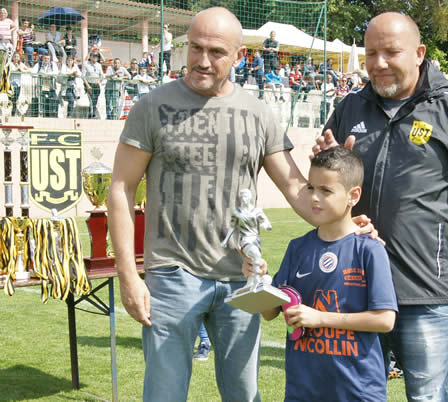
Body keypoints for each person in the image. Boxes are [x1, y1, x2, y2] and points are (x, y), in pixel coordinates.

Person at [107, 8, 334, 401]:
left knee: (244, 395)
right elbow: (121, 188)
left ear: (239, 57)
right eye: (195, 48)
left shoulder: (259, 114)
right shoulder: (151, 107)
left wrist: (341, 207)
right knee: (164, 395)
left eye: (216, 52)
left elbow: (296, 189)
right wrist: (128, 274)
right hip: (172, 275)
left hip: (242, 278)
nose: (202, 61)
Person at [312, 12, 448, 400]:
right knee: (353, 394)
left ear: (419, 53)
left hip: (424, 289)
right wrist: (328, 164)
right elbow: (325, 187)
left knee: (427, 396)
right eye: (371, 53)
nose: (379, 63)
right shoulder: (350, 108)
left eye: (391, 52)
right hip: (356, 290)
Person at [260, 146, 398, 401]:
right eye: (311, 187)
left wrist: (321, 318)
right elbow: (269, 313)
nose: (314, 197)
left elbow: (385, 320)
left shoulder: (369, 249)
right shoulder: (298, 248)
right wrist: (260, 278)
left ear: (353, 195)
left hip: (357, 390)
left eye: (326, 191)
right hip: (304, 390)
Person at [31, 53, 59, 117]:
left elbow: (56, 72)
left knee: (54, 101)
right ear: (43, 58)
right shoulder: (39, 65)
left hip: (51, 87)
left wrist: (46, 74)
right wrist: (40, 74)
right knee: (43, 103)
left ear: (50, 59)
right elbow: (32, 72)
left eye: (48, 58)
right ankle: (44, 116)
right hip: (42, 87)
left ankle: (53, 116)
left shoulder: (53, 65)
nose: (46, 60)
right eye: (45, 58)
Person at [82, 51, 104, 119]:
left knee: (95, 100)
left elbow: (102, 76)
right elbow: (83, 76)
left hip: (96, 85)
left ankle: (92, 113)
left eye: (96, 57)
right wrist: (88, 86)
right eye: (93, 57)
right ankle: (91, 115)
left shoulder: (99, 65)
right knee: (91, 100)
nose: (95, 58)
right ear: (90, 57)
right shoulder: (86, 64)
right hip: (89, 84)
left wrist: (99, 81)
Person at [8, 52, 29, 116]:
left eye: (17, 57)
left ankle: (13, 114)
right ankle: (8, 114)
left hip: (18, 85)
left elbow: (28, 69)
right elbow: (10, 71)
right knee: (10, 100)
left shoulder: (20, 64)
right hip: (11, 85)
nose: (16, 58)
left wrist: (22, 70)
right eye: (15, 57)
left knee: (15, 100)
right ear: (12, 57)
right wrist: (17, 68)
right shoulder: (10, 64)